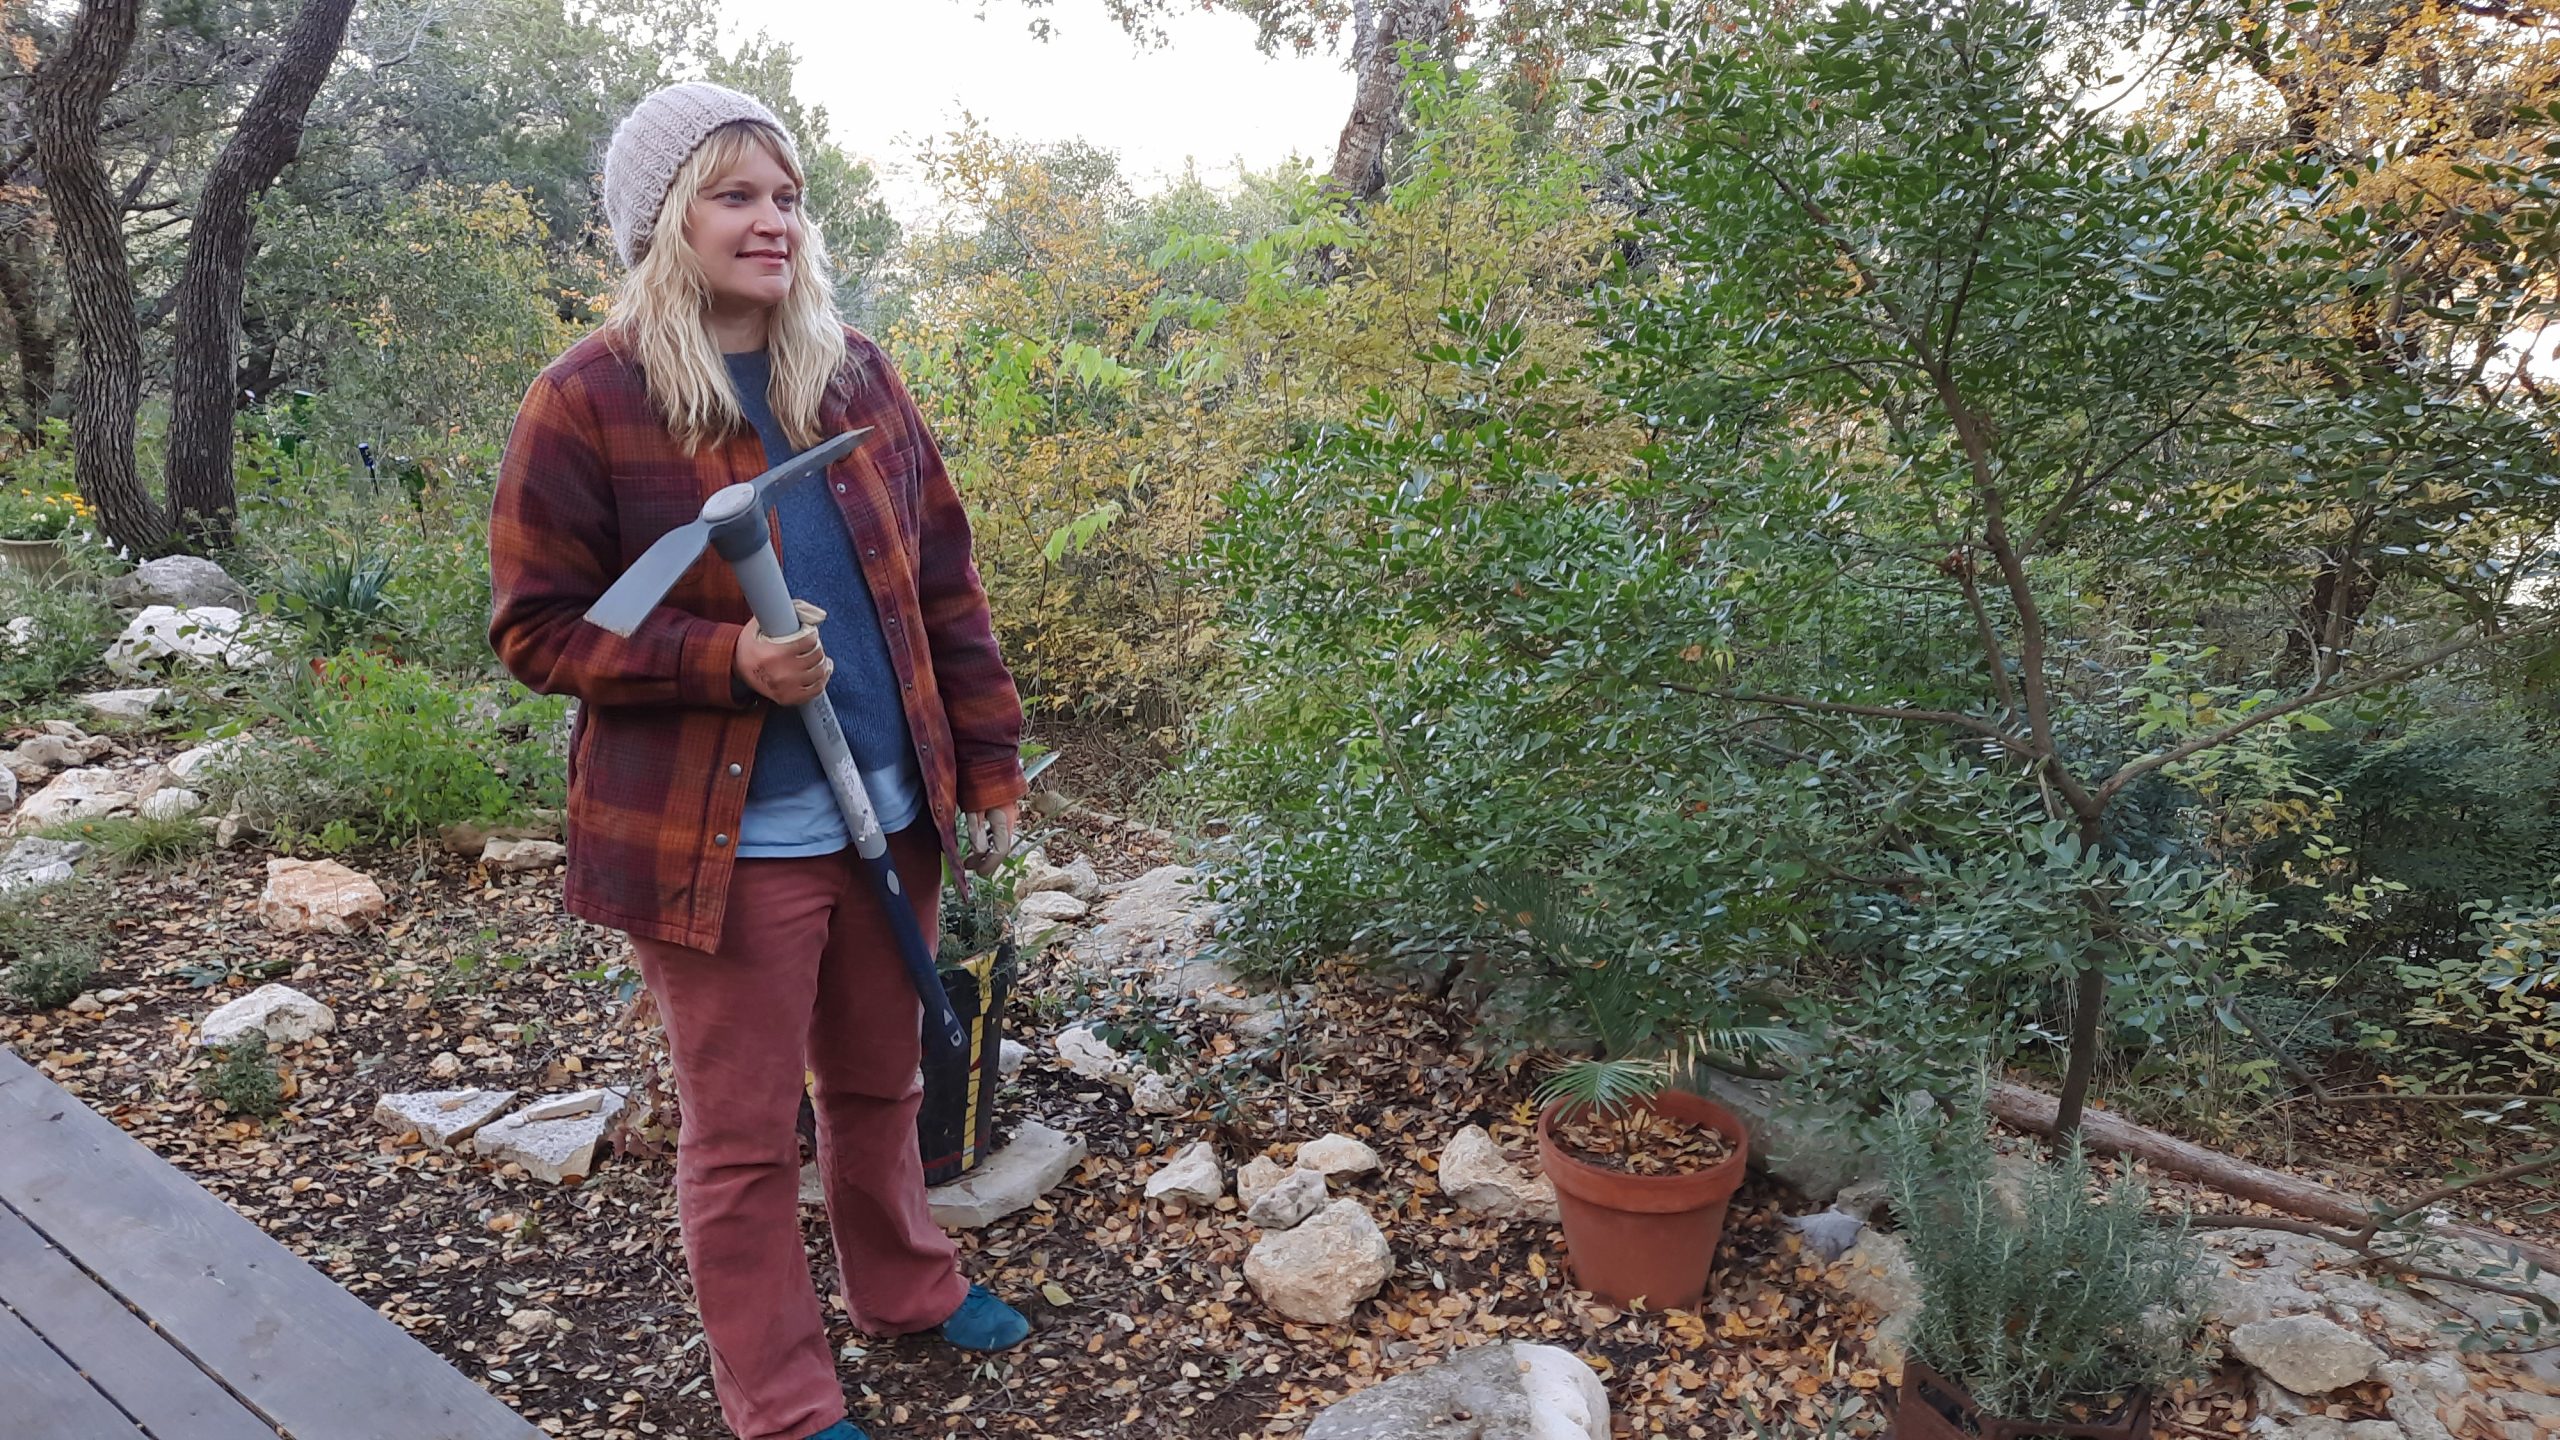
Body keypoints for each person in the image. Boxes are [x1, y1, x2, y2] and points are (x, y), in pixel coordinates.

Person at [487, 82, 1030, 1440]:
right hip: (718, 846)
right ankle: (783, 1401)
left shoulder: (851, 373)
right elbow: (538, 628)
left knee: (881, 1083)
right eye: (735, 195)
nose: (772, 220)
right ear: (663, 221)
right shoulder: (587, 402)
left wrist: (988, 760)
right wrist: (722, 664)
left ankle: (904, 1288)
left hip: (887, 809)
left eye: (786, 196)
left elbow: (945, 584)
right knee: (738, 1142)